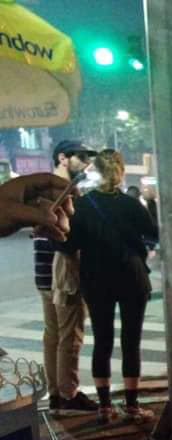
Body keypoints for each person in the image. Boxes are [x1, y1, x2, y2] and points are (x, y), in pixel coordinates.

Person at [58, 149, 159, 423]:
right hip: (132, 277)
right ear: (121, 172)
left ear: (96, 172)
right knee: (131, 342)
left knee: (102, 341)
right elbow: (153, 233)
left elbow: (68, 245)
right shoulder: (131, 204)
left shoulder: (82, 205)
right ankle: (132, 406)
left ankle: (104, 407)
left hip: (96, 279)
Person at [35, 140, 100, 413]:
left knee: (53, 335)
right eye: (81, 157)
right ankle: (68, 394)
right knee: (70, 336)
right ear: (63, 158)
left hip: (43, 273)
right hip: (63, 272)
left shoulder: (41, 188)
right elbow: (69, 236)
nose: (86, 162)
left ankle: (55, 393)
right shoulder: (64, 191)